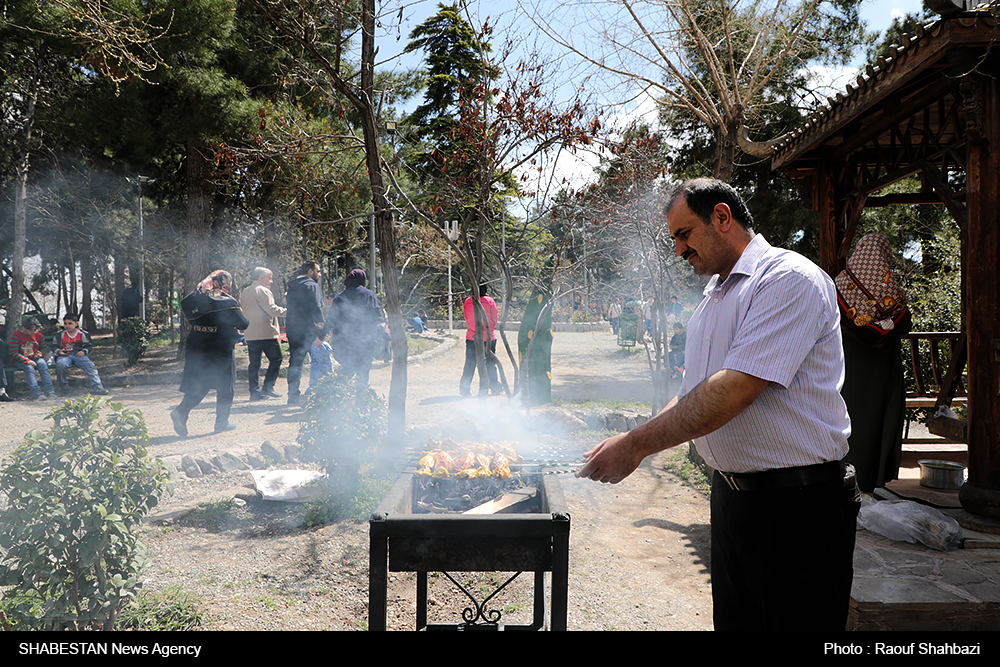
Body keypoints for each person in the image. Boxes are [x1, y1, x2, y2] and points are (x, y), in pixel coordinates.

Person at [577, 178, 860, 632]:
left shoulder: (788, 279)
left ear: (722, 217)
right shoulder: (713, 297)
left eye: (684, 234)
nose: (679, 250)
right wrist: (636, 437)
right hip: (733, 502)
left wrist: (637, 445)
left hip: (798, 508)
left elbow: (733, 390)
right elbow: (696, 391)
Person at [836, 234, 912, 492]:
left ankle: (843, 475)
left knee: (848, 416)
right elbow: (904, 322)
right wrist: (885, 325)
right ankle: (870, 478)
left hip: (848, 366)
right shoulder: (891, 289)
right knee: (877, 418)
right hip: (880, 371)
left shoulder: (839, 285)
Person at [171, 270, 249, 436]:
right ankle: (221, 423)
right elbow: (243, 323)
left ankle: (181, 411)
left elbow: (186, 307)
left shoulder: (193, 299)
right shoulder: (227, 300)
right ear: (224, 282)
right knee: (226, 385)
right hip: (220, 346)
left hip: (197, 344)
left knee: (201, 382)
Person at [321, 269, 384, 392]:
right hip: (365, 343)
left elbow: (331, 319)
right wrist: (384, 338)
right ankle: (359, 400)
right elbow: (378, 317)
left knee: (348, 369)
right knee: (363, 372)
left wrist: (321, 335)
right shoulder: (369, 295)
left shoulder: (339, 297)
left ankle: (336, 395)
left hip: (343, 343)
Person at [240, 267, 287, 402]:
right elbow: (272, 310)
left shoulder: (246, 291)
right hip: (266, 332)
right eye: (269, 278)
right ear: (261, 278)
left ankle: (254, 391)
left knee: (254, 363)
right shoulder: (263, 290)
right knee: (276, 359)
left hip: (250, 333)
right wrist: (288, 312)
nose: (271, 281)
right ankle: (268, 387)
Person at [284, 261, 325, 406]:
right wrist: (323, 330)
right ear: (311, 272)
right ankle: (320, 394)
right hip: (310, 331)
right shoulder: (312, 286)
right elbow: (317, 309)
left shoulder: (292, 287)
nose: (320, 274)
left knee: (295, 363)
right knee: (319, 361)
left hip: (293, 329)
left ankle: (293, 396)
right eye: (318, 271)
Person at [52, 313, 108, 396]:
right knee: (61, 365)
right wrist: (59, 352)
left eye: (70, 323)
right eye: (65, 323)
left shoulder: (82, 334)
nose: (67, 326)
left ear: (76, 324)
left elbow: (88, 345)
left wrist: (83, 352)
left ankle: (98, 387)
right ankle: (64, 387)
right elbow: (54, 346)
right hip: (65, 355)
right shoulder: (59, 335)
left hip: (78, 355)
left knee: (90, 366)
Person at [460, 283, 501, 396]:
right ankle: (495, 387)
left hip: (472, 337)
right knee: (490, 363)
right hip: (488, 336)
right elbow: (495, 317)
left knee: (470, 363)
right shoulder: (490, 301)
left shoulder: (468, 301)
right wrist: (489, 327)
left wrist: (473, 328)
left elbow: (467, 318)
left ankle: (464, 389)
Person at [8, 317, 56, 400]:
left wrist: (41, 354)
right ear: (24, 328)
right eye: (31, 330)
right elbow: (13, 353)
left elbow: (43, 348)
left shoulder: (39, 335)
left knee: (43, 364)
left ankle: (50, 391)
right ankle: (37, 393)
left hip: (34, 358)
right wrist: (27, 361)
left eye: (35, 330)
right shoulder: (16, 336)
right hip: (19, 360)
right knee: (29, 368)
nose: (33, 332)